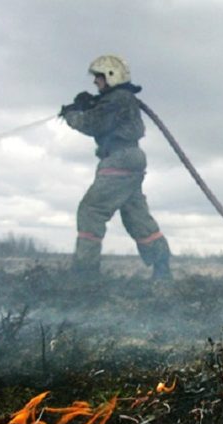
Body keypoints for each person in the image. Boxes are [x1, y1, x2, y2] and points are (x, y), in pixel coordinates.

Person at [60, 54, 172, 280]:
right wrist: (90, 103)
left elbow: (93, 123)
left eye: (99, 77)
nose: (95, 82)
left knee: (91, 210)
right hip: (131, 158)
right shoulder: (120, 98)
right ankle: (162, 269)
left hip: (119, 159)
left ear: (111, 76)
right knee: (136, 216)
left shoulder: (118, 98)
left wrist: (72, 115)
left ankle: (85, 275)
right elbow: (104, 115)